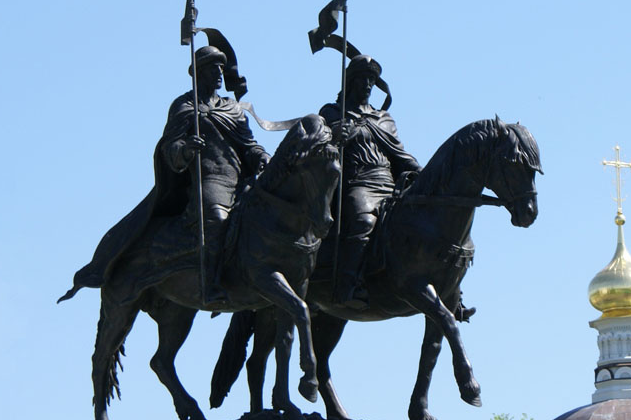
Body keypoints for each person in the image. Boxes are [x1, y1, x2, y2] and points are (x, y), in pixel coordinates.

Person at [61, 44, 268, 303]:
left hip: (240, 179)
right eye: (213, 68)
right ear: (200, 72)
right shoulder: (185, 106)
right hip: (209, 181)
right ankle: (211, 285)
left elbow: (249, 145)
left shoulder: (232, 108)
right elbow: (170, 146)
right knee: (216, 219)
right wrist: (186, 149)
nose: (219, 73)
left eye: (221, 68)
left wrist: (262, 156)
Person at [319, 55, 420, 307]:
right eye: (362, 79)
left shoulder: (383, 118)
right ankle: (347, 286)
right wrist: (335, 135)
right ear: (351, 81)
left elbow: (399, 154)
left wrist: (423, 173)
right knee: (364, 221)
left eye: (371, 80)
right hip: (357, 182)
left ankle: (447, 288)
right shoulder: (333, 112)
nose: (367, 85)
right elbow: (320, 148)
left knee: (426, 221)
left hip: (389, 184)